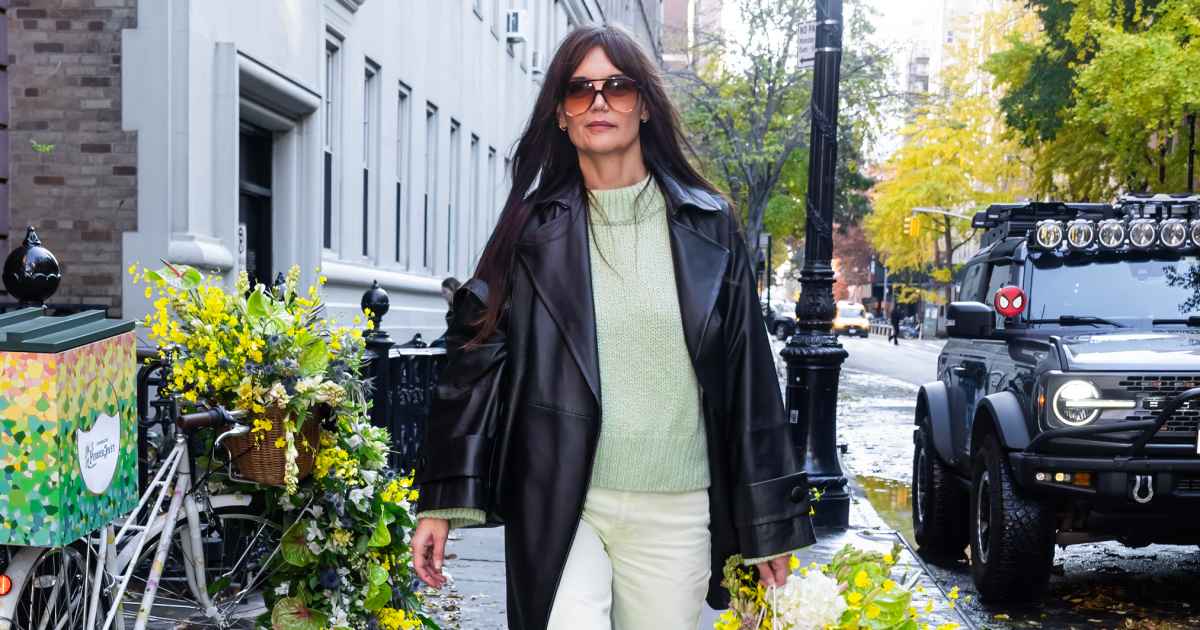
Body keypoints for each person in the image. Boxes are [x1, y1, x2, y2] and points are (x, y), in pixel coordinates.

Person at [409, 24, 814, 630]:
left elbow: (750, 377)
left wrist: (769, 525)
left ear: (644, 105)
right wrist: (442, 499)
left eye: (617, 87)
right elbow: (474, 358)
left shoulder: (708, 225)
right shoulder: (529, 231)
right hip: (561, 502)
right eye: (580, 90)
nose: (599, 102)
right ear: (561, 114)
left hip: (676, 507)